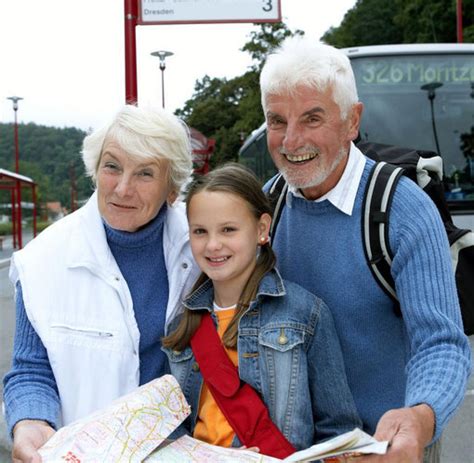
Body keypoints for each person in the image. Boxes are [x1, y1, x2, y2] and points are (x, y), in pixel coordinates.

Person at [259, 35, 471, 463]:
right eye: (277, 121)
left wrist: (419, 418)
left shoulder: (402, 208)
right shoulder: (267, 206)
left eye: (312, 118)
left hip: (386, 447)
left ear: (352, 121)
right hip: (293, 450)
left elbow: (442, 342)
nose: (290, 141)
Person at [3, 104, 200, 462]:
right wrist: (30, 419)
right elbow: (30, 369)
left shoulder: (205, 244)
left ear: (172, 189)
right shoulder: (43, 259)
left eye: (144, 173)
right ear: (95, 170)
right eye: (112, 166)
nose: (123, 188)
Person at [161, 163, 362, 457]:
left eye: (228, 229)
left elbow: (339, 433)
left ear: (262, 229)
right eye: (200, 231)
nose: (213, 244)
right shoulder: (180, 327)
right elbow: (172, 433)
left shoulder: (305, 314)